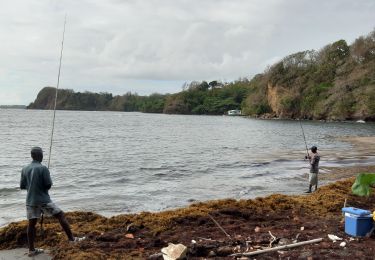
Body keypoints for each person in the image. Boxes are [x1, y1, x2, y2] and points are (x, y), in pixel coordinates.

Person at [20, 147, 82, 257]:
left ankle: (31, 250)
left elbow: (22, 186)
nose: (43, 156)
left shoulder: (24, 169)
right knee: (60, 215)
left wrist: (33, 186)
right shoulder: (43, 168)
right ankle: (72, 239)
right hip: (43, 200)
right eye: (42, 154)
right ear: (39, 156)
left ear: (32, 156)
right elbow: (48, 185)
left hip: (30, 200)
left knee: (31, 224)